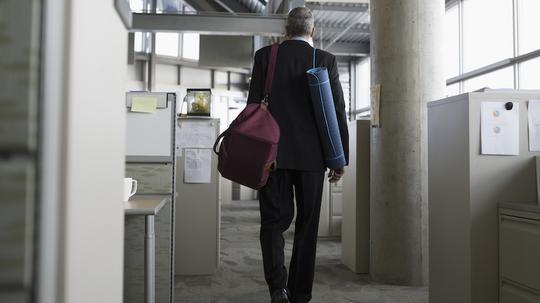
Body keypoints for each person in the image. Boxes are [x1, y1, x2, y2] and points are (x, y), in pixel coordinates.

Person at [246, 6, 349, 303]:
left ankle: (278, 289)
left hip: (272, 157)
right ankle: (301, 294)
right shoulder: (325, 60)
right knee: (307, 225)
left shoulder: (266, 57)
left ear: (286, 30)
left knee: (272, 224)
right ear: (313, 31)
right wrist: (339, 159)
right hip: (312, 159)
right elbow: (336, 112)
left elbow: (254, 107)